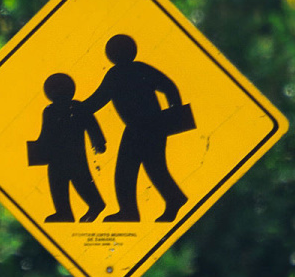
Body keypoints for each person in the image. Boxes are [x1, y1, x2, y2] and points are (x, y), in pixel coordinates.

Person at [82, 34, 193, 222]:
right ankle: (170, 199)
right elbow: (169, 87)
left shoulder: (117, 75)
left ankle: (131, 212)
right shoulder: (137, 69)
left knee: (128, 171)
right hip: (150, 126)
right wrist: (173, 113)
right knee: (152, 168)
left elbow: (96, 101)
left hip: (142, 127)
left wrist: (174, 114)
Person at [27, 73, 106, 223]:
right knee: (57, 182)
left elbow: (91, 125)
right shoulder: (50, 111)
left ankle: (96, 204)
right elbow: (46, 132)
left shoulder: (77, 108)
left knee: (81, 180)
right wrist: (39, 148)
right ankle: (63, 212)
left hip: (74, 154)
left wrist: (99, 142)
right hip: (57, 156)